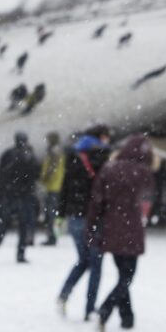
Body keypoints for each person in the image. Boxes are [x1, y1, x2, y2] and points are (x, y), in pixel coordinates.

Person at [88, 135, 155, 332]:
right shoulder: (144, 173)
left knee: (123, 275)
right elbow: (149, 199)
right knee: (127, 277)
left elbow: (96, 202)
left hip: (112, 230)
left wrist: (91, 227)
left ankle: (127, 318)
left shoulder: (109, 169)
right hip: (132, 230)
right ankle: (105, 310)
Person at [57, 126, 112, 320]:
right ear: (99, 138)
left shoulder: (74, 158)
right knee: (95, 264)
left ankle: (64, 293)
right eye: (106, 137)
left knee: (83, 260)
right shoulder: (102, 158)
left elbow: (64, 189)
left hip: (74, 218)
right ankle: (90, 309)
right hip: (94, 219)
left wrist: (60, 215)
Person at [0, 132, 40, 263]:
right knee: (23, 225)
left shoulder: (9, 154)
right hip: (24, 195)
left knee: (4, 223)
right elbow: (34, 175)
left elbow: (1, 175)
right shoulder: (29, 155)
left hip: (10, 194)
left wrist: (3, 191)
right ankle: (20, 254)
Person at [39, 132, 65, 245]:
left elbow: (52, 169)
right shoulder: (59, 151)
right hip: (57, 186)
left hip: (53, 186)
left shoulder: (53, 152)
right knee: (55, 213)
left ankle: (52, 237)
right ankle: (56, 235)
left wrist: (44, 178)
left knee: (51, 214)